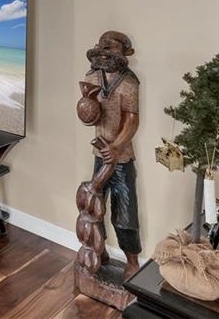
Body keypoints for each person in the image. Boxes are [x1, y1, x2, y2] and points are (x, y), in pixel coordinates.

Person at [83, 30, 141, 279]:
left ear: (124, 53)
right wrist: (86, 109)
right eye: (101, 46)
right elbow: (90, 112)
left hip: (121, 157)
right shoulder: (93, 76)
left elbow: (132, 120)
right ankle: (99, 249)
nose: (104, 51)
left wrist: (116, 147)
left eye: (111, 47)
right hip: (100, 154)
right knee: (95, 205)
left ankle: (132, 260)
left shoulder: (129, 83)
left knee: (125, 210)